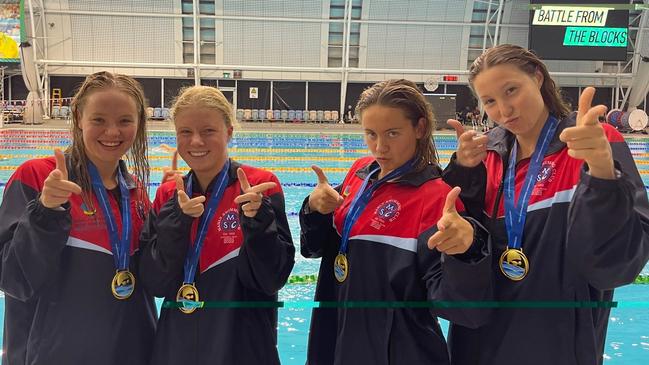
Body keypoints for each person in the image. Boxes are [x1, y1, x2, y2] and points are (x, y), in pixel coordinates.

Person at [443, 44, 649, 365]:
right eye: (490, 101)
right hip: (480, 343)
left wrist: (602, 173)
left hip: (558, 343)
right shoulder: (485, 160)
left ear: (537, 77)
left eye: (511, 90)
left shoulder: (592, 141)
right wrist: (461, 174)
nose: (504, 110)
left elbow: (619, 265)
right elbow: (458, 254)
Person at [300, 79, 492, 365]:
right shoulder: (359, 174)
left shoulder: (435, 196)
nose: (380, 147)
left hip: (398, 349)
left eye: (392, 133)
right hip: (337, 333)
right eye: (370, 134)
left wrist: (466, 250)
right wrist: (315, 208)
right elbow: (314, 249)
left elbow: (456, 305)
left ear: (420, 128)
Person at [0, 71, 156, 365]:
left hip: (129, 353)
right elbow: (13, 278)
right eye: (99, 120)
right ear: (78, 118)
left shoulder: (136, 194)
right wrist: (46, 211)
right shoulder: (36, 177)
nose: (112, 132)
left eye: (124, 121)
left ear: (139, 124)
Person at [139, 85, 294, 364]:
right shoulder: (167, 195)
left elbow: (272, 279)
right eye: (185, 132)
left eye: (208, 131)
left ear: (229, 132)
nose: (196, 141)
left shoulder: (259, 187)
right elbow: (155, 283)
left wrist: (257, 224)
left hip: (241, 346)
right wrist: (178, 222)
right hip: (178, 344)